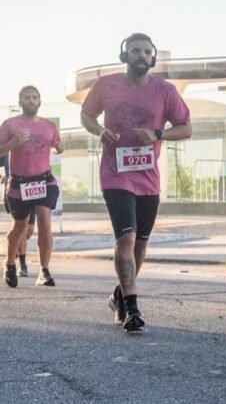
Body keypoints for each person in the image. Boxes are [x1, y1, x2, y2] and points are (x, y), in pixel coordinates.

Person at [80, 33, 191, 332]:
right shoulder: (106, 85)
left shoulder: (165, 90)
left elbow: (186, 127)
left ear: (152, 57)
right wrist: (100, 130)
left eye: (145, 51)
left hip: (148, 179)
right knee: (125, 239)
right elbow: (86, 114)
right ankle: (132, 307)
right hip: (115, 174)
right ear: (124, 55)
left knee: (140, 243)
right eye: (134, 51)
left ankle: (119, 296)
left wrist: (158, 134)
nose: (140, 55)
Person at [0, 85, 63, 288]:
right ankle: (10, 263)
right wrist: (13, 142)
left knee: (45, 224)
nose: (31, 100)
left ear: (40, 101)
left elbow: (57, 145)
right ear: (20, 102)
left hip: (45, 181)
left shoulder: (49, 125)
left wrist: (60, 147)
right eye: (27, 97)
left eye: (35, 97)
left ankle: (44, 271)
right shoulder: (9, 124)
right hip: (19, 183)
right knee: (20, 228)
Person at [2, 154, 35, 277]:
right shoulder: (6, 151)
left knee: (29, 231)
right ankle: (22, 265)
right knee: (22, 228)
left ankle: (14, 247)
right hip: (14, 193)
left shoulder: (30, 147)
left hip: (32, 191)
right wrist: (3, 177)